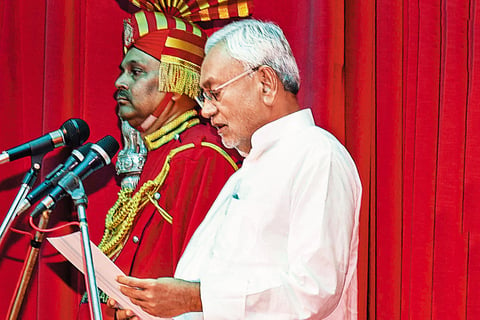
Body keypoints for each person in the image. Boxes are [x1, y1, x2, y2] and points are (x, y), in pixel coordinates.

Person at [109, 18, 362, 320]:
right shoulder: (244, 174)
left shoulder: (316, 153)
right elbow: (214, 294)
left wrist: (193, 298)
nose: (205, 110)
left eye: (214, 93)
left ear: (265, 84)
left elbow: (312, 291)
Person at [77, 2, 254, 319]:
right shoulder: (163, 154)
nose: (120, 83)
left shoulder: (202, 156)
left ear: (176, 80)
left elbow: (204, 283)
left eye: (136, 72)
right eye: (123, 72)